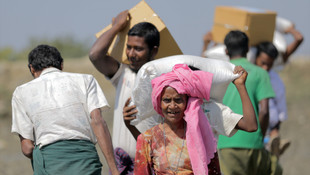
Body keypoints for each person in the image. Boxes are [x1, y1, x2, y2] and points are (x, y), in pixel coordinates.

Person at [11, 45, 119, 174]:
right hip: (85, 162)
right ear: (61, 65)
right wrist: (114, 169)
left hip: (49, 163)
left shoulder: (21, 92)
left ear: (32, 68)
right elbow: (98, 122)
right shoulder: (86, 80)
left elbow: (27, 148)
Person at [134, 64, 257, 174]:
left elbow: (250, 126)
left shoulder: (204, 132)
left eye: (178, 100)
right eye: (166, 100)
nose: (172, 106)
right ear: (159, 103)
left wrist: (240, 86)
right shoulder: (148, 139)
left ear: (188, 101)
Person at [89, 10, 161, 173]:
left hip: (150, 164)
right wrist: (117, 27)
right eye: (128, 47)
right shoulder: (123, 73)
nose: (131, 54)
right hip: (120, 165)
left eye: (138, 49)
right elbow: (95, 55)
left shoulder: (162, 81)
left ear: (154, 51)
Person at [216, 30, 282, 175]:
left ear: (226, 50)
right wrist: (259, 137)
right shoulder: (260, 73)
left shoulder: (218, 73)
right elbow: (264, 111)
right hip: (254, 143)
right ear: (247, 49)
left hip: (226, 144)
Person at [255, 42, 291, 158]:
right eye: (263, 63)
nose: (265, 68)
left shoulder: (275, 79)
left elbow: (281, 108)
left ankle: (275, 143)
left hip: (270, 128)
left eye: (269, 65)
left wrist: (274, 129)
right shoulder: (248, 75)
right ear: (255, 57)